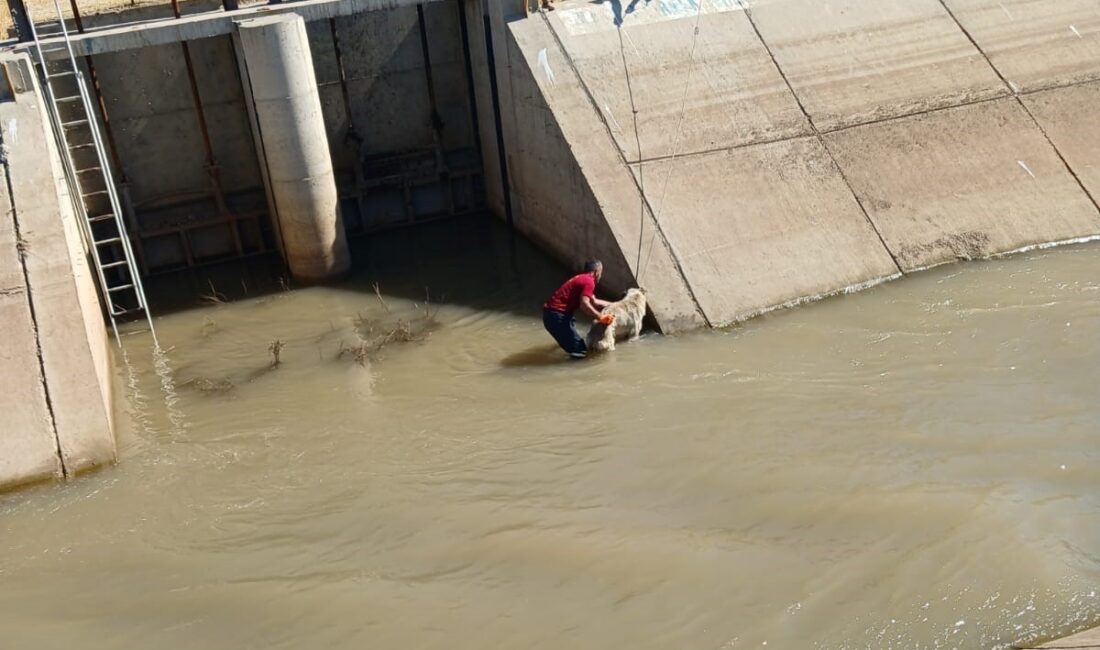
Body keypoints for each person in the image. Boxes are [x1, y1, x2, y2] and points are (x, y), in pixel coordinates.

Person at [543, 259, 614, 359]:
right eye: (601, 272)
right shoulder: (589, 281)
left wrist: (617, 305)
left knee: (575, 343)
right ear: (597, 272)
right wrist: (601, 317)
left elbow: (595, 301)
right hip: (556, 317)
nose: (601, 276)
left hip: (554, 315)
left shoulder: (583, 279)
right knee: (580, 350)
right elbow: (584, 304)